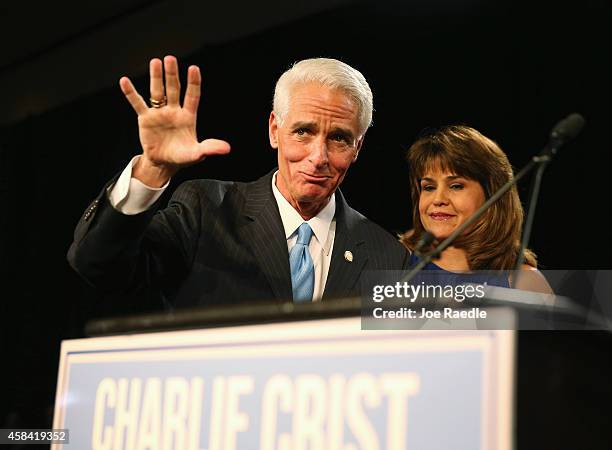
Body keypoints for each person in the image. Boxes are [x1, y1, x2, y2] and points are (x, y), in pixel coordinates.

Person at [68, 56, 409, 308]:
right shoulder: (206, 210)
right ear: (275, 129)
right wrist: (152, 169)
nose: (318, 156)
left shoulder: (388, 256)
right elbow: (99, 265)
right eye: (303, 131)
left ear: (358, 147)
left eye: (338, 138)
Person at [399, 125, 552, 293]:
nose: (438, 199)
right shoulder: (394, 260)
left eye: (456, 186)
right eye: (429, 187)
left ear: (492, 195)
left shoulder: (525, 282)